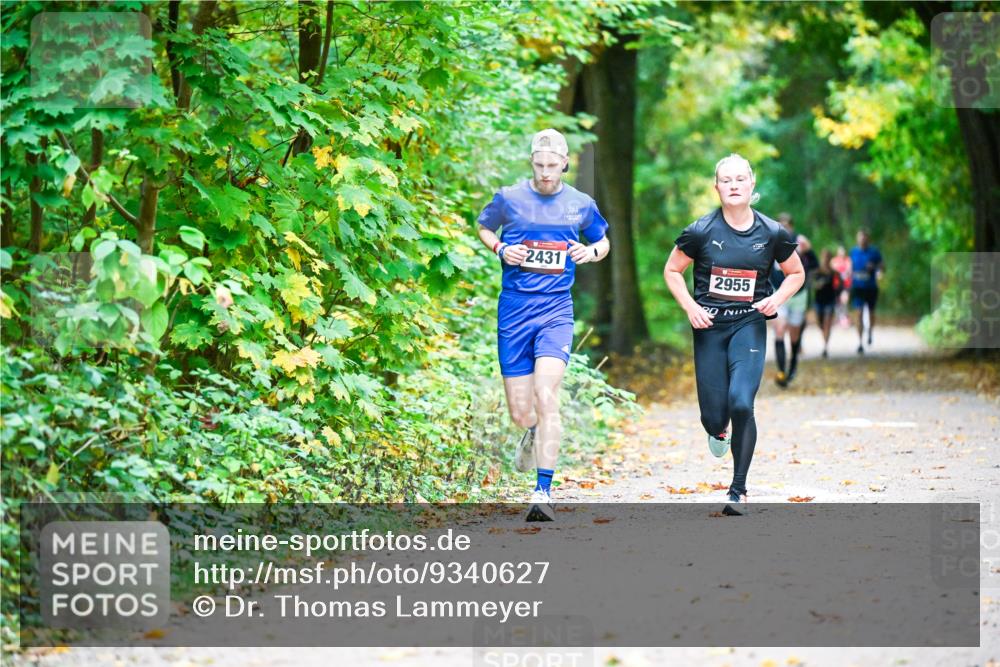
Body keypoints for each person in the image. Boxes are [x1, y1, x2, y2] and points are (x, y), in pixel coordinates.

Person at [477, 128, 610, 522]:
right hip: (514, 310)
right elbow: (484, 227)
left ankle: (543, 491)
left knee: (545, 392)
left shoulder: (581, 204)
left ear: (566, 163)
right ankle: (531, 431)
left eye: (554, 165)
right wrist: (501, 248)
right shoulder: (509, 198)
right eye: (540, 165)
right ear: (531, 162)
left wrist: (591, 252)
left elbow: (604, 241)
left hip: (555, 310)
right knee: (521, 410)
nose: (547, 173)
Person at [663, 154, 803, 515]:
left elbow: (796, 274)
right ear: (717, 187)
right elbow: (672, 271)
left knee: (742, 402)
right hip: (709, 327)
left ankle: (737, 489)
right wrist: (690, 307)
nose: (734, 185)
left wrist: (776, 298)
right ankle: (717, 429)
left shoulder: (772, 232)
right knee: (714, 416)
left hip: (748, 324)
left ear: (752, 185)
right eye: (727, 180)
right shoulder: (700, 230)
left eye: (741, 179)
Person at [770, 216, 816, 387]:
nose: (783, 228)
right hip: (779, 293)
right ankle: (781, 372)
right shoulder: (770, 242)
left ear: (791, 227)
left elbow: (815, 266)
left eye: (786, 225)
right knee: (780, 329)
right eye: (780, 225)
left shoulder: (801, 243)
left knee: (794, 335)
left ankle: (793, 366)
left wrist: (808, 251)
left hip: (798, 295)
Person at [849, 228, 884, 354]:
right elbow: (849, 268)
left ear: (868, 239)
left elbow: (882, 266)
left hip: (871, 287)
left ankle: (870, 332)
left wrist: (875, 268)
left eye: (864, 237)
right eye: (860, 237)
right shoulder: (853, 252)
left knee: (871, 312)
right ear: (857, 239)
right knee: (858, 313)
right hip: (857, 286)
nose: (862, 240)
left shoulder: (874, 252)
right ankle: (860, 342)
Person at [812, 248, 842, 358]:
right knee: (820, 324)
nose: (826, 259)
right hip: (818, 301)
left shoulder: (834, 273)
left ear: (830, 259)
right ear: (821, 258)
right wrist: (817, 285)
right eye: (824, 257)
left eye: (828, 257)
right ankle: (824, 334)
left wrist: (838, 290)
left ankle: (825, 347)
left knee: (827, 323)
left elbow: (840, 285)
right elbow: (811, 284)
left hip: (830, 301)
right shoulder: (817, 272)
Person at [831, 245, 852, 327]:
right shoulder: (834, 260)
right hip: (836, 285)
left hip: (846, 284)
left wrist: (842, 272)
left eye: (843, 251)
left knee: (844, 300)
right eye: (840, 251)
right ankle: (839, 318)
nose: (841, 253)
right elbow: (832, 270)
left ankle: (844, 317)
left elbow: (849, 271)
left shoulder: (848, 260)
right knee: (837, 302)